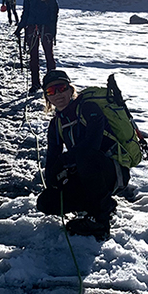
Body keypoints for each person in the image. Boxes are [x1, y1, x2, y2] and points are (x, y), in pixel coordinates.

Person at [35, 69, 127, 239]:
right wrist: (53, 183)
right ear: (47, 97)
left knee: (86, 156)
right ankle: (100, 205)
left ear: (71, 90)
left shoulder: (88, 109)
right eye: (51, 91)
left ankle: (100, 220)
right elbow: (52, 158)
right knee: (46, 203)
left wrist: (64, 161)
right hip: (86, 173)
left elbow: (92, 145)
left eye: (62, 88)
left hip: (111, 172)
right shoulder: (56, 124)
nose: (58, 94)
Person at [20, 0, 59, 93]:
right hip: (31, 27)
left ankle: (52, 83)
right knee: (33, 56)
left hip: (45, 27)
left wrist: (53, 29)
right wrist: (20, 26)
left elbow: (54, 10)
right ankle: (35, 83)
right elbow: (25, 12)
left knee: (49, 55)